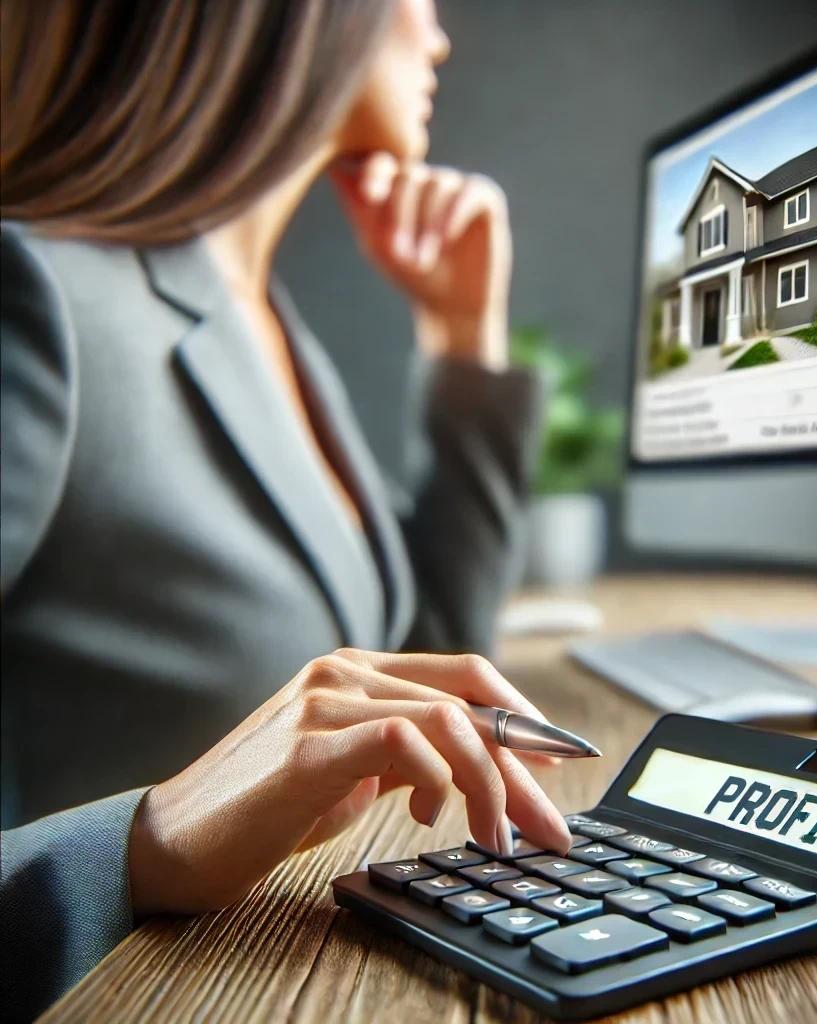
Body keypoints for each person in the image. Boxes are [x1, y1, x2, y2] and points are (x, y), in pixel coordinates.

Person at [0, 1, 573, 1017]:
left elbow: (432, 661)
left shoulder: (272, 329)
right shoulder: (32, 292)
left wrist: (460, 338)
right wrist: (145, 839)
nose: (439, 37)